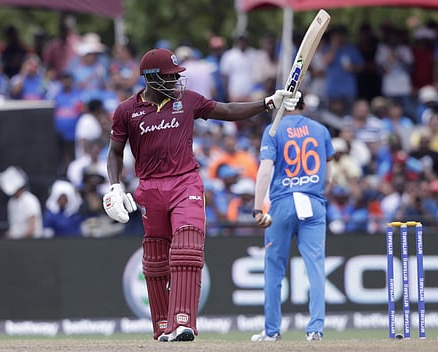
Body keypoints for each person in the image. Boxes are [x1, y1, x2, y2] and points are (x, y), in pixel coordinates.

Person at [102, 47, 300, 342]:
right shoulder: (126, 111)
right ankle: (162, 327)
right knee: (155, 261)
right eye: (169, 77)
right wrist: (115, 185)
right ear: (151, 78)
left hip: (185, 183)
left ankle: (183, 321)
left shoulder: (188, 101)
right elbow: (115, 153)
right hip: (150, 188)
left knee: (187, 246)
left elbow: (229, 111)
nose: (175, 82)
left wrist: (269, 103)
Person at [250, 95, 334, 342]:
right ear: (304, 106)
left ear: (281, 106)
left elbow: (265, 169)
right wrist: (319, 187)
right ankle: (315, 329)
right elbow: (329, 175)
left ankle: (272, 331)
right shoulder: (320, 130)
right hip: (314, 203)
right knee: (316, 267)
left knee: (274, 268)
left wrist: (257, 209)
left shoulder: (273, 129)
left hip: (283, 204)